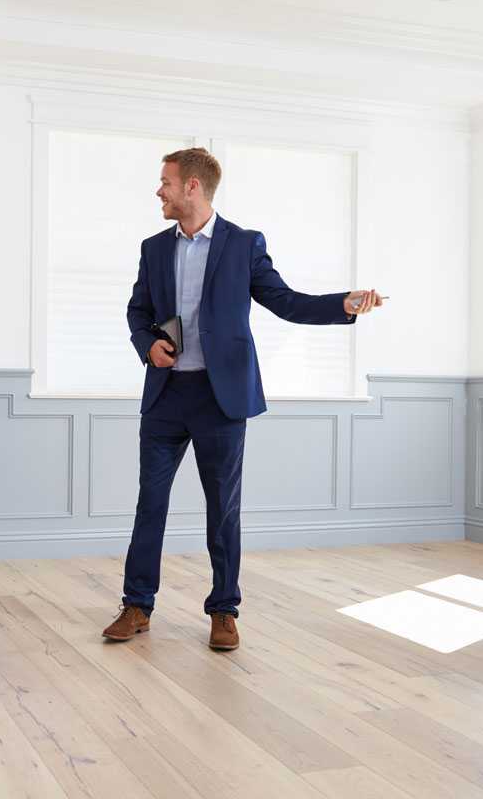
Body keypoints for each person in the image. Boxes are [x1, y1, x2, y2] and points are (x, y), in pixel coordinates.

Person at [102, 147, 383, 651]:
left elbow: (286, 302)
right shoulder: (153, 248)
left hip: (221, 400)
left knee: (223, 510)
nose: (158, 191)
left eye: (165, 182)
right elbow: (137, 311)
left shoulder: (242, 245)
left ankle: (224, 611)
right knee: (151, 504)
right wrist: (148, 345)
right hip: (166, 397)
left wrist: (342, 304)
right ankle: (137, 605)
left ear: (192, 186)